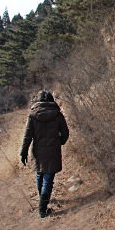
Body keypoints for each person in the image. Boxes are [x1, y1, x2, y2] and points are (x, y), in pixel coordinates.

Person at [20, 90, 69, 218]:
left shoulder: (32, 115)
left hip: (38, 150)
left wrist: (23, 152)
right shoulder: (57, 115)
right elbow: (65, 132)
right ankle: (42, 209)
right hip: (53, 150)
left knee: (40, 173)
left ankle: (42, 199)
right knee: (48, 178)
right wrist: (60, 142)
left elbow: (27, 136)